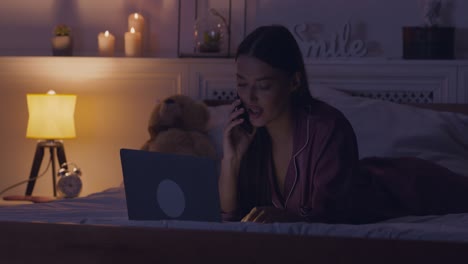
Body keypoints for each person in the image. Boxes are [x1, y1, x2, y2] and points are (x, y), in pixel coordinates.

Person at [218, 24, 468, 224]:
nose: (249, 97)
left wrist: (286, 219)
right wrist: (231, 160)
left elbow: (331, 219)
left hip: (406, 188)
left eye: (263, 86)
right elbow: (230, 217)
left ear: (293, 82)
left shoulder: (327, 127)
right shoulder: (248, 136)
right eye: (241, 84)